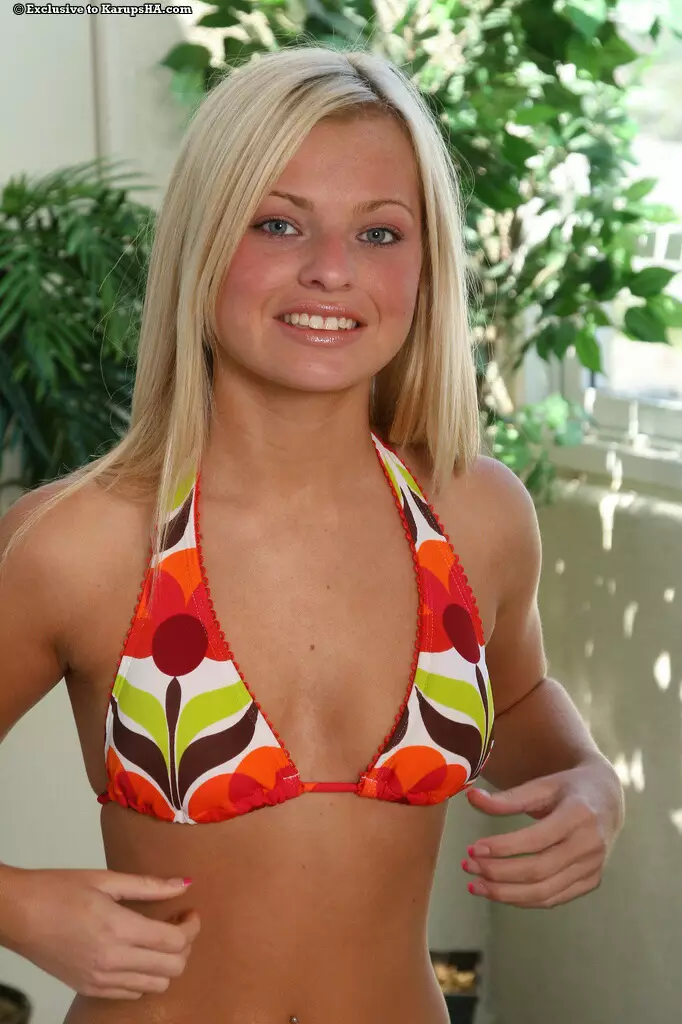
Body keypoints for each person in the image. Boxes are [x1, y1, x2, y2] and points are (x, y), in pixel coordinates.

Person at [0, 43, 624, 1024]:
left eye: (380, 233)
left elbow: (518, 702)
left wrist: (589, 783)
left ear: (427, 267)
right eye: (278, 223)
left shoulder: (476, 517)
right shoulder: (86, 542)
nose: (332, 270)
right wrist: (18, 906)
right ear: (204, 242)